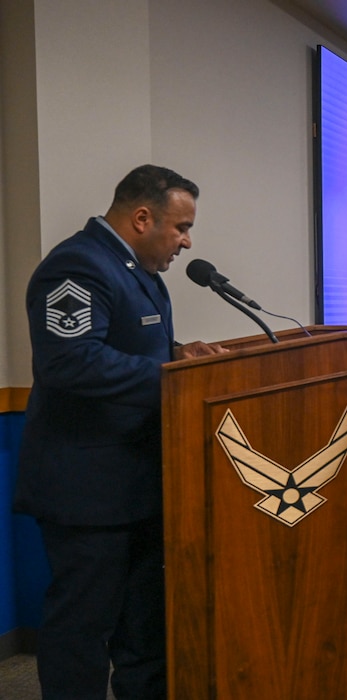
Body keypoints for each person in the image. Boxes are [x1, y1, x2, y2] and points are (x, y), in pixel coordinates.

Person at [14, 165, 225, 699]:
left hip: (137, 483)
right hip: (86, 491)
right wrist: (173, 376)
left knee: (144, 626)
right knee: (83, 630)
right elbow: (70, 362)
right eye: (180, 227)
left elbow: (128, 349)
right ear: (141, 217)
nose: (186, 241)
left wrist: (177, 354)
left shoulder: (141, 272)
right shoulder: (77, 267)